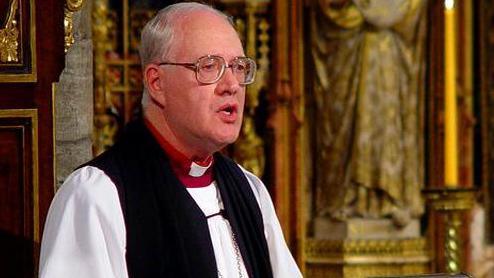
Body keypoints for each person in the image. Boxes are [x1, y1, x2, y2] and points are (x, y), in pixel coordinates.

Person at [39, 3, 302, 278]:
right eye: (210, 66)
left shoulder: (249, 190)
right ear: (157, 83)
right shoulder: (97, 196)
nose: (232, 85)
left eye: (238, 67)